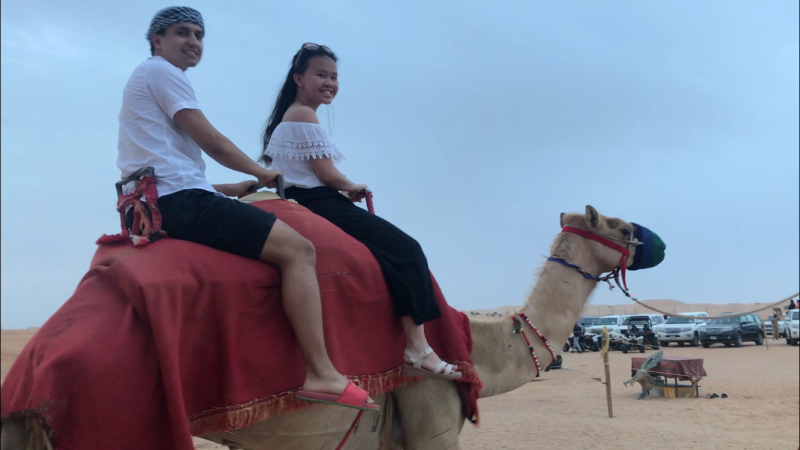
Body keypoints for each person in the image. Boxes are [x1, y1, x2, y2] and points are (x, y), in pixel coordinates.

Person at [116, 8, 376, 411]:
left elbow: (171, 169)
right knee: (299, 250)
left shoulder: (147, 77)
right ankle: (322, 372)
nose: (193, 41)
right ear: (156, 40)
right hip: (181, 202)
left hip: (159, 200)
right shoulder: (162, 72)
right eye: (181, 33)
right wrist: (262, 172)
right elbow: (212, 142)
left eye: (199, 35)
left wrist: (235, 187)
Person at [259, 43, 461, 381]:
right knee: (407, 250)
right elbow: (325, 175)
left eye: (334, 76)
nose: (329, 82)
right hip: (318, 201)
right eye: (320, 74)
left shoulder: (292, 115)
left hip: (308, 199)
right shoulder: (303, 115)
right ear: (299, 78)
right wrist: (352, 185)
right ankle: (417, 347)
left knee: (385, 257)